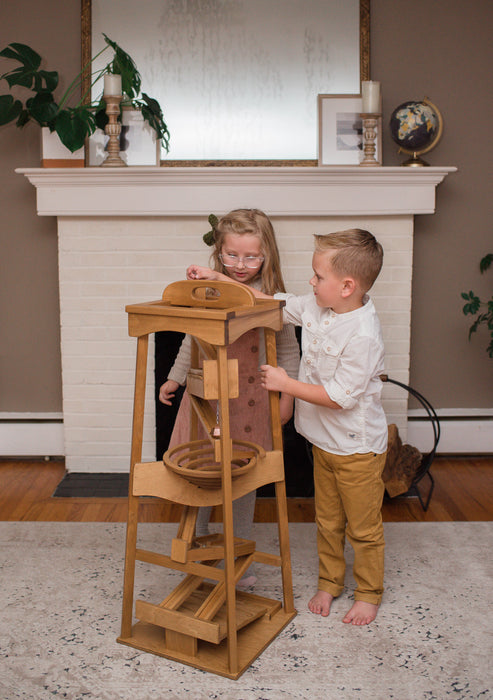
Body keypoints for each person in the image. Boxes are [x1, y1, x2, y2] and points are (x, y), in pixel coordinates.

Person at [189, 228, 387, 624]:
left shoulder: (363, 335)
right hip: (323, 444)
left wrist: (285, 385)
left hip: (358, 450)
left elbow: (338, 397)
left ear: (347, 286)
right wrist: (219, 279)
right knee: (327, 521)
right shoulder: (316, 308)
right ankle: (330, 582)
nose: (310, 283)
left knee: (362, 528)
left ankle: (368, 592)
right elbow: (269, 299)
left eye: (317, 276)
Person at [159, 208, 300, 588]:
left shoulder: (273, 299)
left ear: (267, 254)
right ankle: (193, 550)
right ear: (218, 252)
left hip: (251, 401)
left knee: (243, 481)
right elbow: (192, 338)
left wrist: (288, 394)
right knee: (200, 477)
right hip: (207, 400)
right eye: (231, 255)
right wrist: (175, 378)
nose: (241, 264)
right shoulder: (208, 293)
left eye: (251, 256)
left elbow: (288, 353)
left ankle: (236, 560)